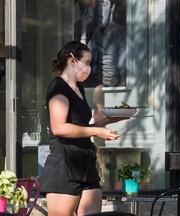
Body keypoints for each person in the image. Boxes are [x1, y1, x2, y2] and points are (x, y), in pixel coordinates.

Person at [40, 41, 128, 216]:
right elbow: (59, 128)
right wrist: (97, 131)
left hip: (85, 162)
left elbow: (79, 128)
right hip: (64, 165)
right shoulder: (59, 88)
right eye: (87, 62)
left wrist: (106, 122)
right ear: (72, 61)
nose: (89, 67)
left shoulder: (78, 88)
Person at [84, 0, 127, 87]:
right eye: (98, 5)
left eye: (104, 4)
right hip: (99, 88)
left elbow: (123, 72)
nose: (100, 9)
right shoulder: (97, 32)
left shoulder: (121, 33)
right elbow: (84, 59)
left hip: (115, 89)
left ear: (112, 7)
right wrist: (84, 27)